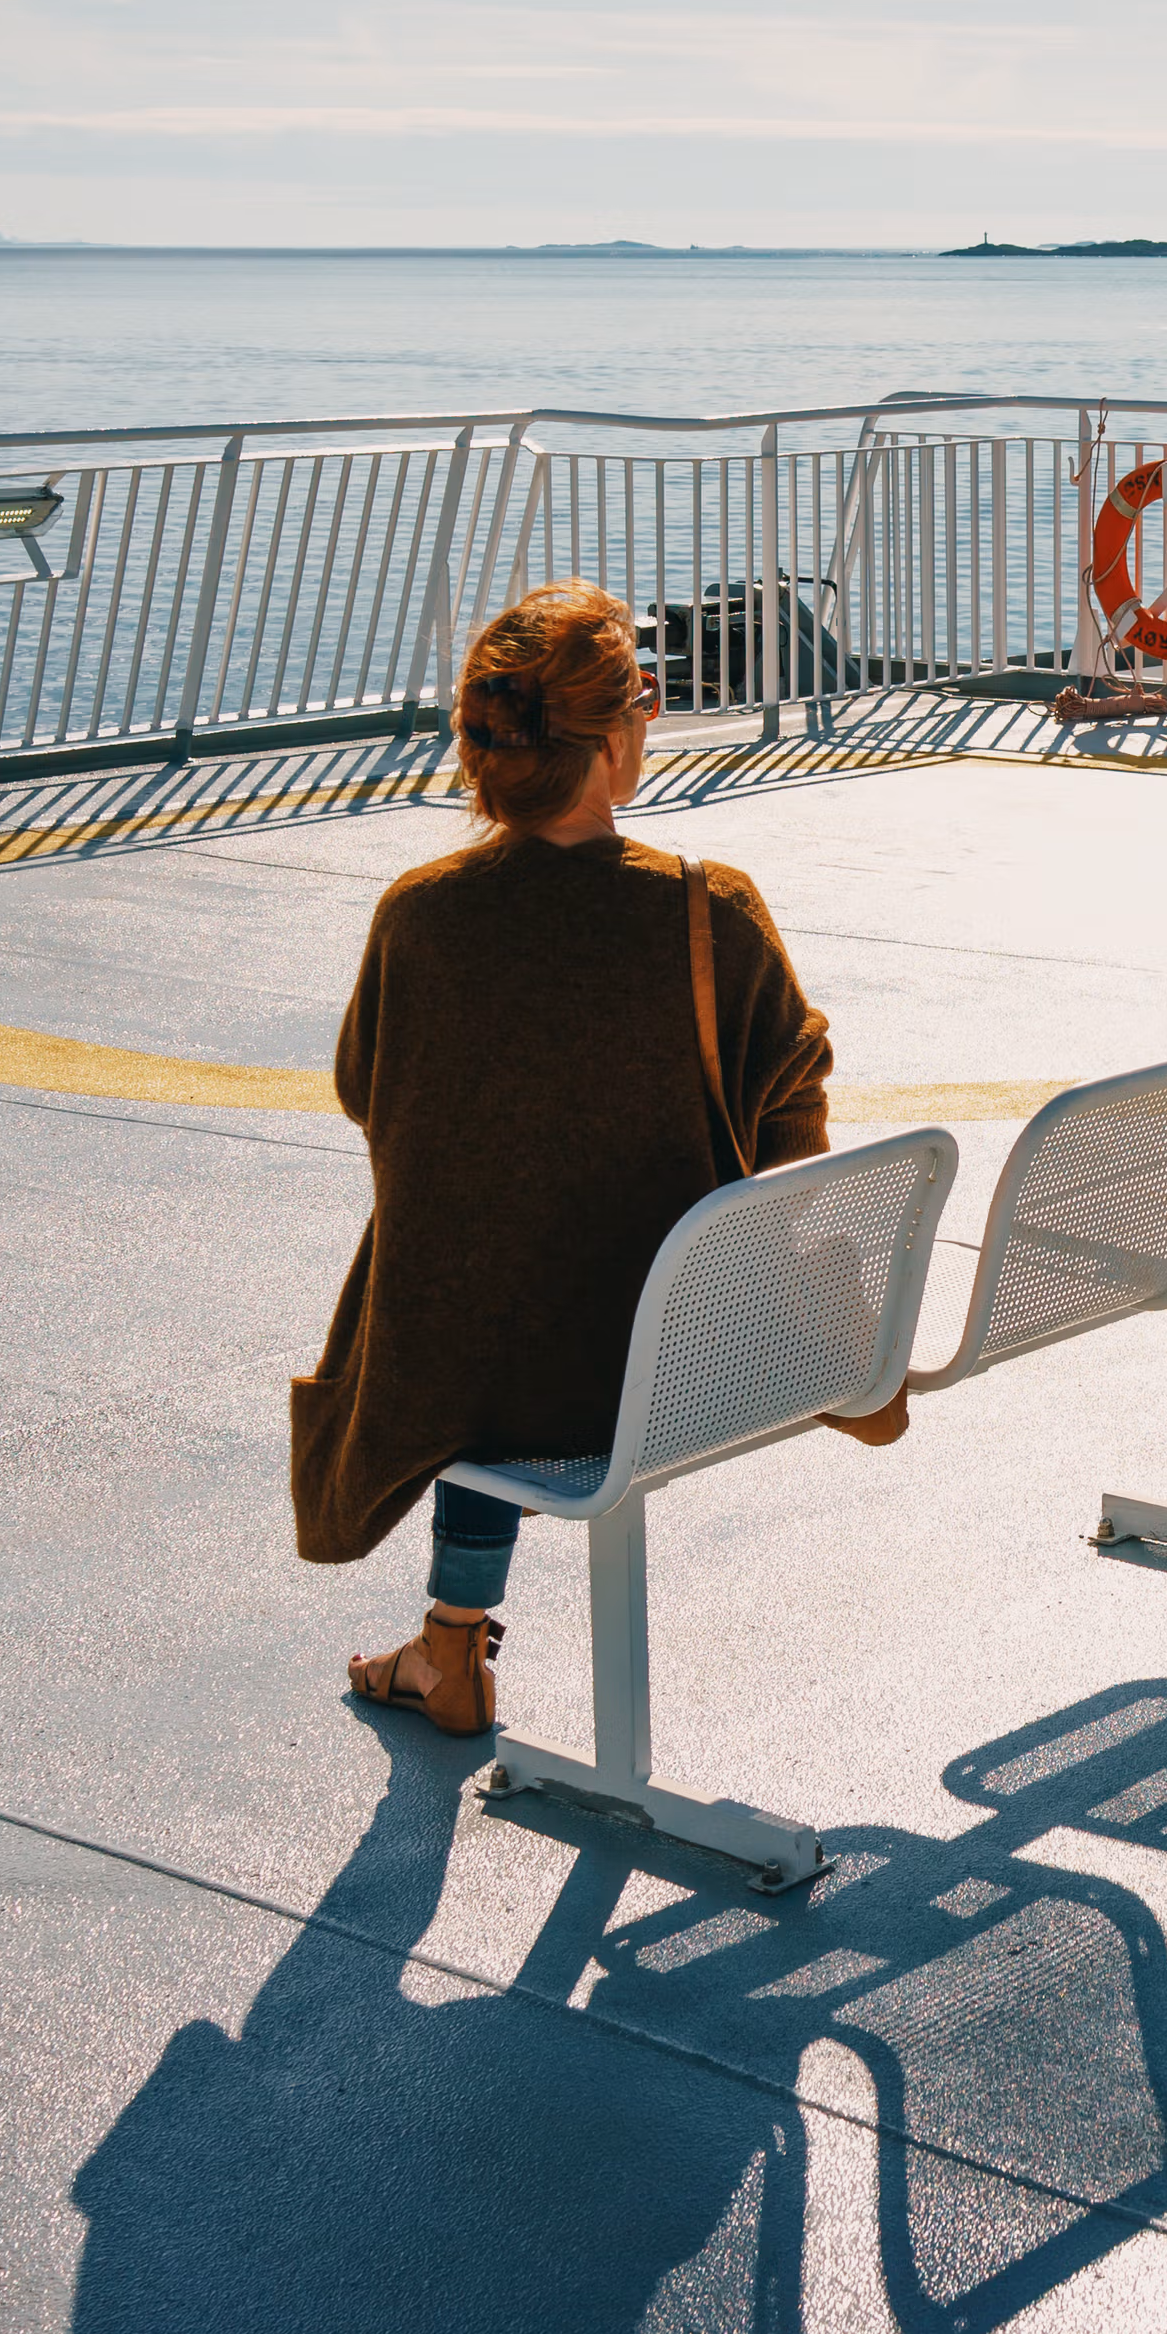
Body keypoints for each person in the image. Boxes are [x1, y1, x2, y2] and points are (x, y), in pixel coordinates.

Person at [293, 578, 896, 1735]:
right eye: (644, 703)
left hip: (478, 1388)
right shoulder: (710, 910)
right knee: (551, 1265)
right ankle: (448, 1646)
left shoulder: (418, 917)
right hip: (686, 1364)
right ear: (614, 742)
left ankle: (450, 1645)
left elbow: (367, 1094)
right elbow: (795, 1111)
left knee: (480, 1266)